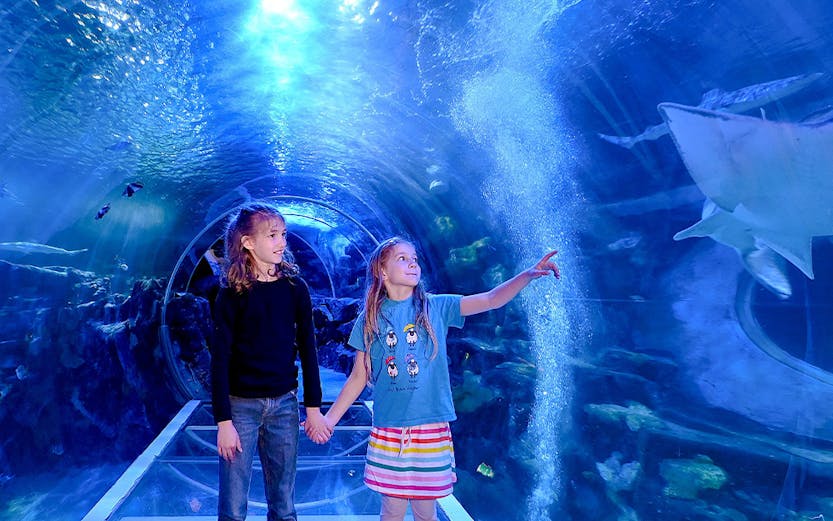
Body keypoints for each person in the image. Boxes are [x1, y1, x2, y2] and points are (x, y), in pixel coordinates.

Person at [307, 236, 559, 521]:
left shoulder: (436, 307)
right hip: (390, 431)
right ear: (382, 271)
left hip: (431, 427)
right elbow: (358, 377)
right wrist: (329, 420)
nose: (413, 262)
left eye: (414, 258)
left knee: (426, 510)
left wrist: (526, 276)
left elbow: (490, 299)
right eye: (402, 258)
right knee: (392, 509)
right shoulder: (370, 318)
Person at [210, 202, 330, 521]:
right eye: (272, 235)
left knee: (284, 503)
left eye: (283, 234)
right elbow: (219, 360)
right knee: (233, 507)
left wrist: (313, 408)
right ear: (247, 242)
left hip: (285, 405)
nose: (281, 242)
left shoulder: (295, 288)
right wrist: (224, 423)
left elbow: (308, 348)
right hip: (240, 408)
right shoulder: (230, 293)